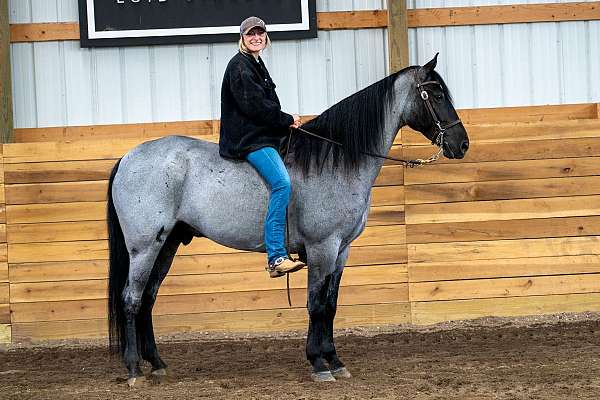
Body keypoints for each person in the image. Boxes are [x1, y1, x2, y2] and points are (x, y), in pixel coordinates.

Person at [219, 16, 306, 278]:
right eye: (250, 34)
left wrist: (284, 122)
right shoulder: (240, 67)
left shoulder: (255, 63)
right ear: (242, 38)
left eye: (260, 34)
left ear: (265, 37)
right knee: (282, 184)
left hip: (262, 133)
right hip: (249, 139)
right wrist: (286, 119)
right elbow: (255, 107)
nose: (255, 38)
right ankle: (277, 256)